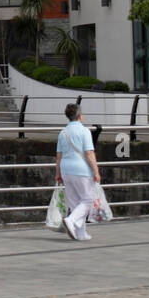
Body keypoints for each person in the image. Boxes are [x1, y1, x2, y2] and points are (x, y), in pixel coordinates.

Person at [55, 103, 102, 241]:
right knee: (88, 200)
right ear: (80, 116)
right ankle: (71, 220)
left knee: (75, 202)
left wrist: (57, 173)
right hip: (81, 170)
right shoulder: (84, 131)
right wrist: (96, 171)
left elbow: (58, 156)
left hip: (66, 170)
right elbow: (89, 153)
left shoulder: (62, 133)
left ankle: (81, 233)